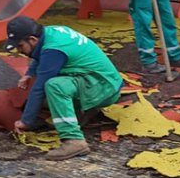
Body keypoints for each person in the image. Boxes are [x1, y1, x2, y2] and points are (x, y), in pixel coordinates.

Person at [7, 16, 123, 160]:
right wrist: (29, 74)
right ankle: (84, 112)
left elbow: (40, 87)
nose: (19, 51)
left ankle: (74, 141)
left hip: (103, 88)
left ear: (32, 39)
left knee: (54, 87)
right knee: (50, 92)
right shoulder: (50, 32)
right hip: (104, 82)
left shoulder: (54, 49)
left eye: (20, 46)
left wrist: (26, 121)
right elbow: (40, 56)